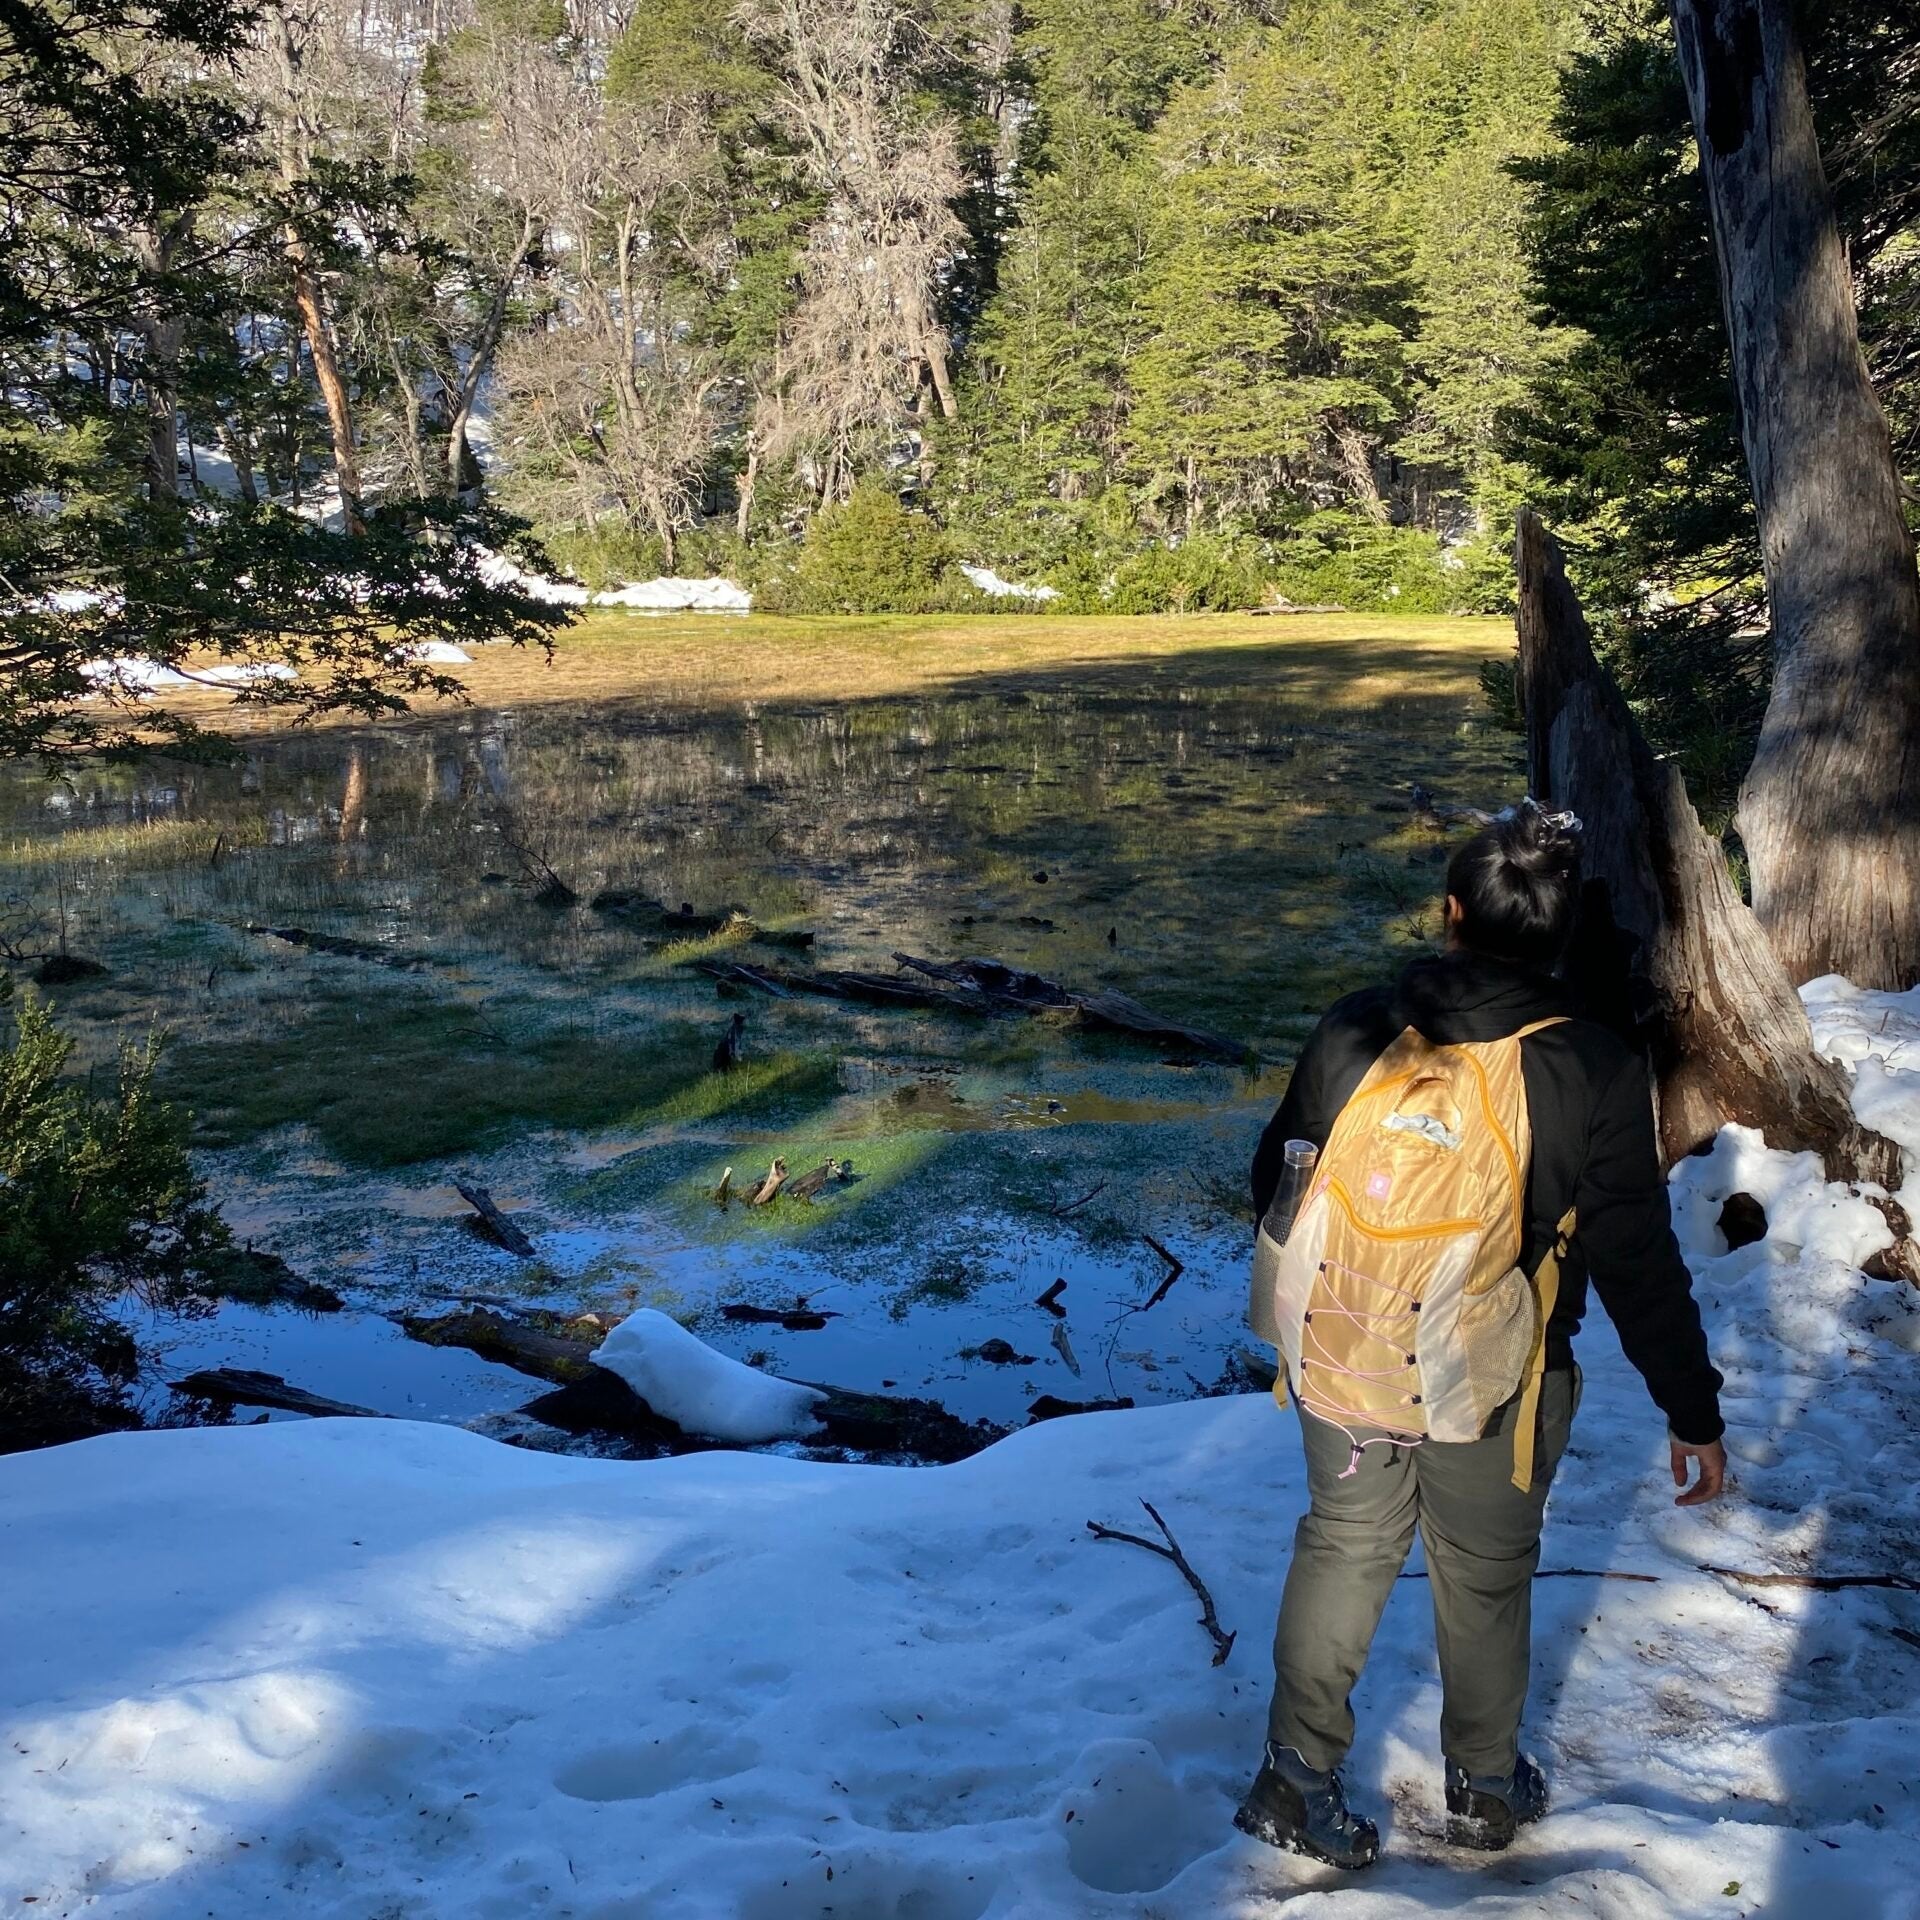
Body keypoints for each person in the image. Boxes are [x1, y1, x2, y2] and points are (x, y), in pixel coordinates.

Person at [1236, 799, 1727, 1869]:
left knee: (1343, 1546)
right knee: (1486, 1573)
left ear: (1450, 911)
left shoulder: (1356, 1026)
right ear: (1555, 933)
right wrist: (1694, 1410)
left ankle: (1293, 1779)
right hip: (1500, 1381)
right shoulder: (1592, 1063)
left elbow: (1270, 1177)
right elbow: (1636, 1258)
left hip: (1345, 1353)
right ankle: (1487, 1787)